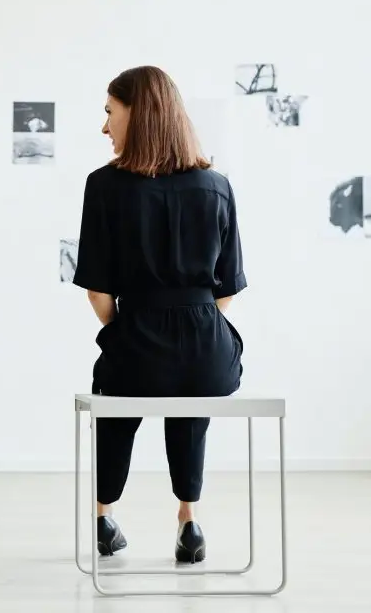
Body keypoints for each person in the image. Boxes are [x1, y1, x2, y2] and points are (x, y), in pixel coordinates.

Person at [73, 66, 246, 564]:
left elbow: (98, 292)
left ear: (138, 113)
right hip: (207, 350)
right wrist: (193, 322)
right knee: (191, 395)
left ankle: (104, 515)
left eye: (110, 112)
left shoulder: (104, 186)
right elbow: (227, 289)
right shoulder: (217, 186)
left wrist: (129, 330)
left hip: (137, 338)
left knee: (117, 396)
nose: (105, 127)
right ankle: (189, 520)